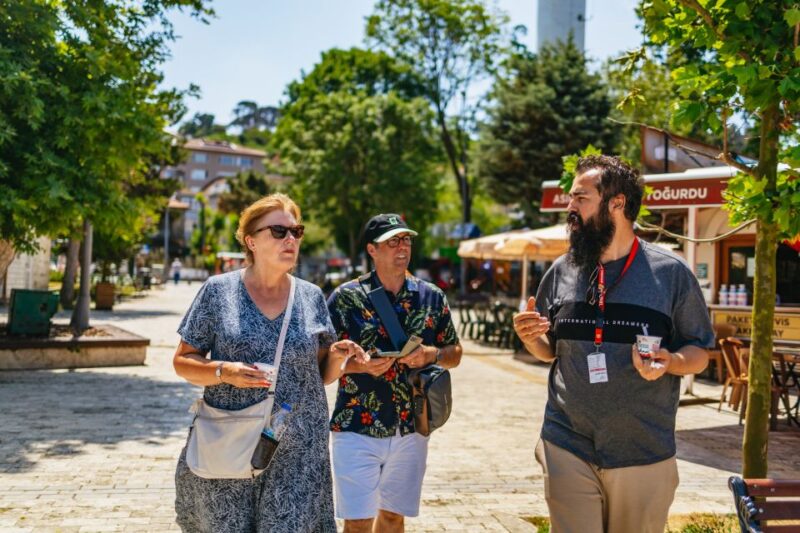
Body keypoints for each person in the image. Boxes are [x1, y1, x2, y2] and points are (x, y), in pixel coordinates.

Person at [513, 155, 714, 533]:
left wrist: (670, 360)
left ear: (617, 203)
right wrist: (531, 338)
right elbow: (549, 349)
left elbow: (699, 352)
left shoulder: (671, 274)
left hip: (642, 449)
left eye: (580, 198)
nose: (569, 206)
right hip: (566, 440)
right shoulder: (563, 269)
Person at [172, 193, 367, 532]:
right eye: (279, 231)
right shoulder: (218, 292)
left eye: (296, 231)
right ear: (251, 240)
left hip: (298, 450)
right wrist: (223, 371)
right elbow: (183, 361)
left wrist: (337, 356)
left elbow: (322, 374)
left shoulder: (310, 296)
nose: (291, 239)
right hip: (230, 445)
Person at [327, 214, 463, 533]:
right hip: (356, 425)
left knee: (392, 519)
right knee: (358, 522)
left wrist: (433, 354)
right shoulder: (346, 298)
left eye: (405, 240)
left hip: (412, 426)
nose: (402, 247)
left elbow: (454, 353)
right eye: (392, 241)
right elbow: (323, 365)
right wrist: (357, 365)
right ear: (372, 250)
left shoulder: (431, 296)